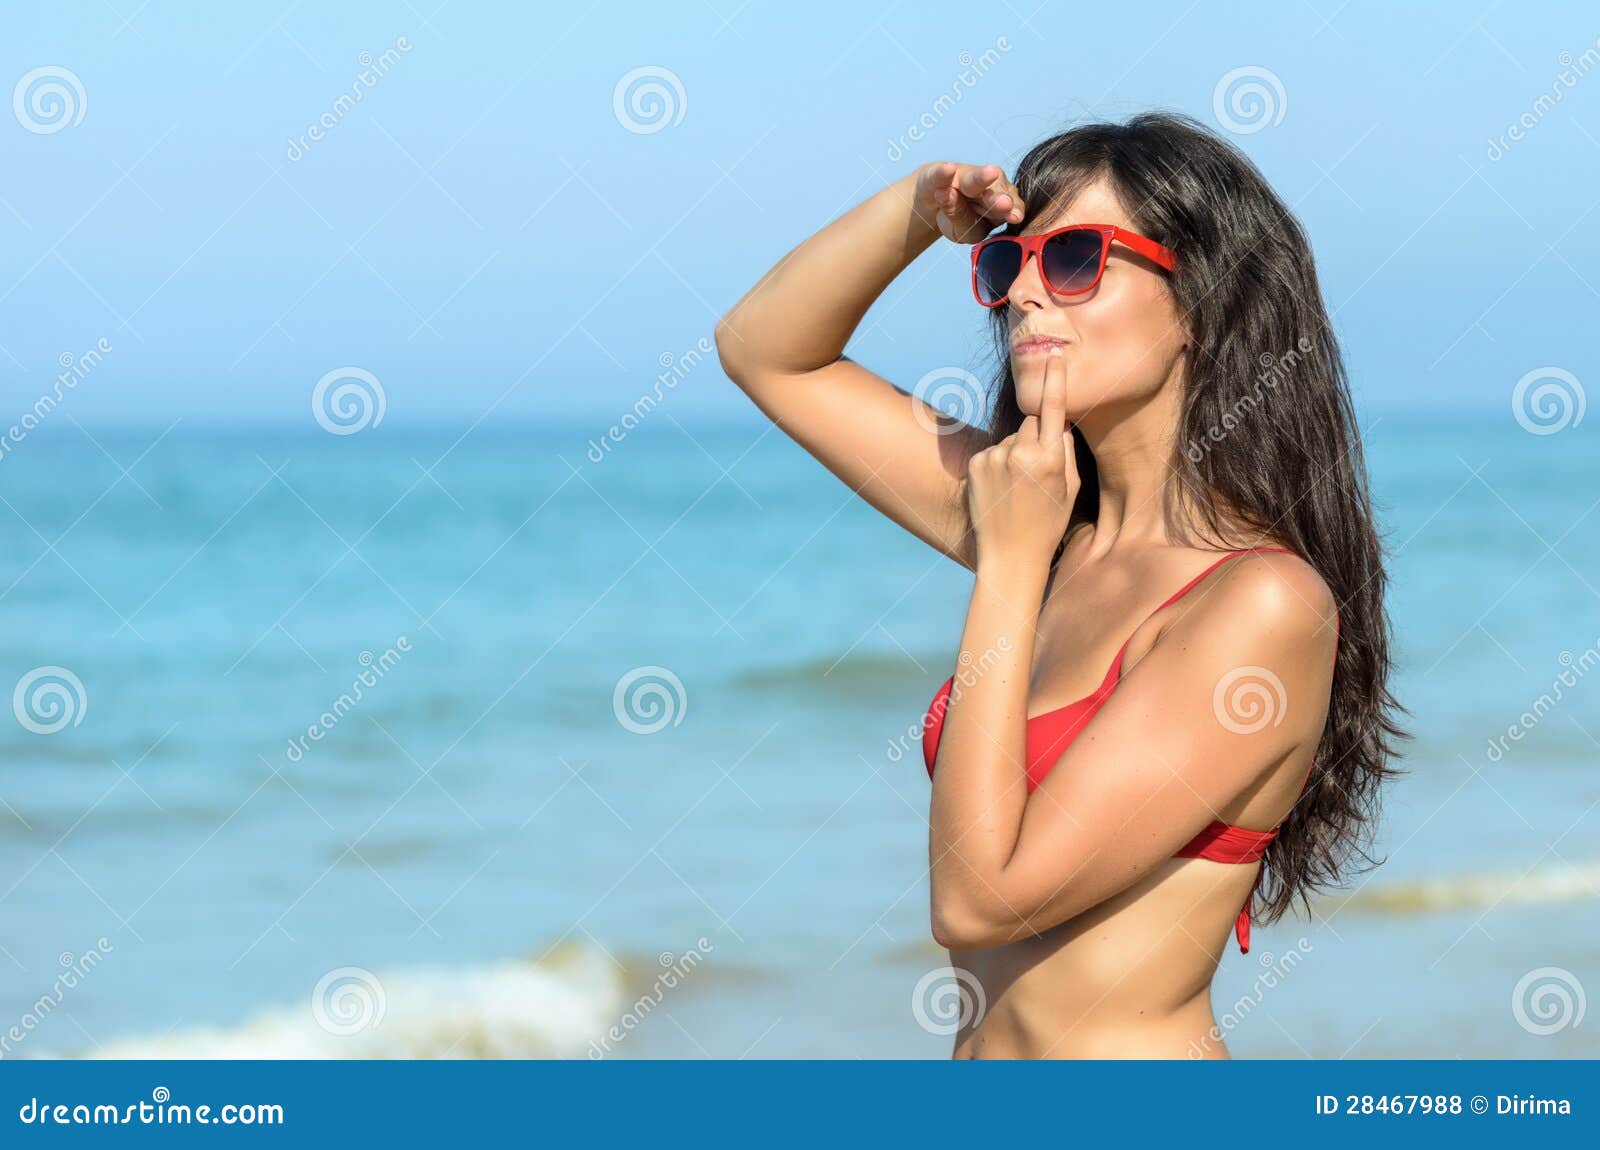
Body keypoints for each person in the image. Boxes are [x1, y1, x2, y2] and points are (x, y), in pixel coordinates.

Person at [714, 111, 1406, 1059]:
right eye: (1012, 266)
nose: (1027, 294)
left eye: (1077, 257)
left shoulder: (1259, 604)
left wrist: (1007, 562)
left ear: (1201, 300)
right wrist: (918, 215)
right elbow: (765, 349)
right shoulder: (1044, 524)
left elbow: (979, 899)